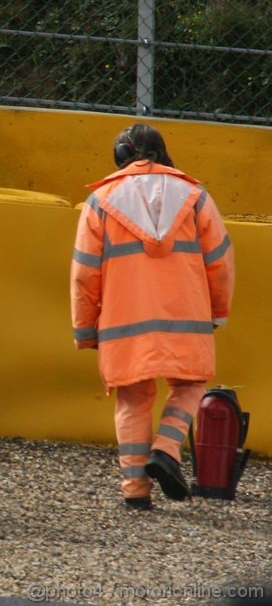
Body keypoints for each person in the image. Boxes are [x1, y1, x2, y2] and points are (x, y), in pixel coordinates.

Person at [70, 123, 235, 510]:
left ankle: (135, 490)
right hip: (187, 315)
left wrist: (84, 327)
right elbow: (220, 262)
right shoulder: (195, 197)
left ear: (120, 158)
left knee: (133, 398)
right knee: (191, 382)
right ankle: (166, 448)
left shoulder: (101, 201)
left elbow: (84, 272)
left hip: (123, 321)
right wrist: (219, 311)